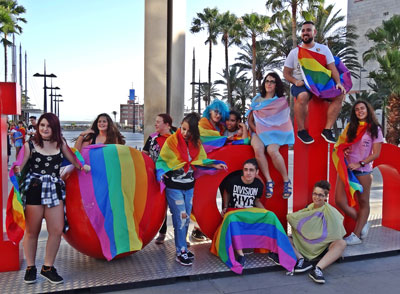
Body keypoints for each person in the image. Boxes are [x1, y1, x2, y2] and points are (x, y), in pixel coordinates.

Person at [13, 113, 90, 284]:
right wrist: (16, 169)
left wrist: (82, 166)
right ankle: (30, 267)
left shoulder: (61, 143)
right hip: (34, 189)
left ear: (55, 127)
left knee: (56, 230)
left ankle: (47, 267)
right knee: (32, 231)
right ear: (38, 127)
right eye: (42, 125)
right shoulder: (30, 144)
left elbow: (73, 159)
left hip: (54, 189)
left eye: (48, 126)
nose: (45, 129)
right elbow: (21, 162)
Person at [156, 112, 227, 266]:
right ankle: (180, 252)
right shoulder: (172, 142)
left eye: (189, 131)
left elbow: (200, 160)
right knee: (180, 217)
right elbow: (162, 161)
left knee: (186, 218)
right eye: (183, 129)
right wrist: (161, 172)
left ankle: (182, 248)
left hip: (189, 187)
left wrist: (214, 164)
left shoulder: (196, 144)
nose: (185, 133)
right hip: (174, 187)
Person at [283, 21, 346, 144]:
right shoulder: (295, 52)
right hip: (302, 84)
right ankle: (301, 131)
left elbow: (332, 68)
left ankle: (327, 130)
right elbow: (286, 73)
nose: (305, 33)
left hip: (320, 84)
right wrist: (295, 81)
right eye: (303, 31)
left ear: (314, 32)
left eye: (308, 30)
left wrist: (338, 82)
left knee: (340, 94)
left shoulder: (323, 49)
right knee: (303, 96)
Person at [333, 100, 383, 245]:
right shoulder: (351, 127)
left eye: (362, 108)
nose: (359, 111)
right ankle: (363, 224)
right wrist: (345, 149)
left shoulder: (375, 129)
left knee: (363, 202)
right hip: (346, 169)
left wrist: (360, 163)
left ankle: (355, 235)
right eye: (356, 109)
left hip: (363, 171)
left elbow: (376, 154)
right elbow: (342, 144)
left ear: (368, 110)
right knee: (339, 201)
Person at [286, 181, 347, 284]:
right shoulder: (309, 208)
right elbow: (296, 221)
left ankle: (318, 269)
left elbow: (337, 233)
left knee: (342, 243)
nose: (316, 197)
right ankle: (301, 260)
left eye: (320, 195)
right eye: (315, 194)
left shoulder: (331, 212)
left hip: (324, 246)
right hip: (306, 243)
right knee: (284, 238)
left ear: (326, 197)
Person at [247, 72, 294, 199]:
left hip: (275, 133)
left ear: (276, 84)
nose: (269, 83)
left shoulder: (281, 101)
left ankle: (286, 181)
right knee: (258, 149)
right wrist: (258, 131)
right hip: (257, 131)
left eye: (272, 81)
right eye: (267, 81)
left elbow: (282, 121)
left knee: (272, 150)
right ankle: (269, 181)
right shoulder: (257, 99)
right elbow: (250, 120)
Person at [221, 158, 265, 265]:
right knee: (231, 219)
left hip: (249, 212)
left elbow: (257, 201)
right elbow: (226, 192)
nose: (248, 173)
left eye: (251, 170)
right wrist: (225, 206)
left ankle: (274, 250)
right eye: (246, 170)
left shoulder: (259, 185)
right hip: (235, 212)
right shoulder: (233, 181)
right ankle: (240, 255)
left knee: (271, 216)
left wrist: (265, 212)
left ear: (257, 172)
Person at [143, 113, 175, 244]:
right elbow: (145, 154)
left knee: (176, 208)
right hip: (156, 178)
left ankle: (181, 238)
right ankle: (162, 232)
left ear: (167, 124)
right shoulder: (152, 138)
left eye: (158, 122)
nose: (155, 124)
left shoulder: (176, 138)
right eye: (155, 121)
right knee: (160, 206)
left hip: (173, 177)